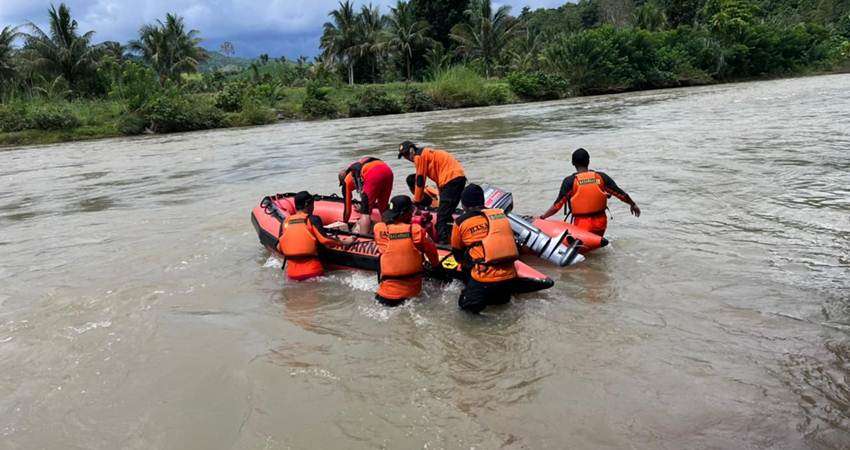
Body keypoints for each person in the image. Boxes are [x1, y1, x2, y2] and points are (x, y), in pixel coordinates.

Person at [538, 148, 641, 237]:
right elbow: (621, 194)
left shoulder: (570, 181)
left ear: (573, 163)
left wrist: (543, 217)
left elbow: (557, 206)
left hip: (582, 225)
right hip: (601, 224)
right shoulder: (601, 177)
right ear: (588, 161)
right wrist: (633, 204)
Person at [451, 184, 520, 314]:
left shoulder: (460, 222)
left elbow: (457, 254)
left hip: (484, 280)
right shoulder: (500, 215)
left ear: (464, 205)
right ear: (483, 201)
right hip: (510, 277)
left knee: (465, 310)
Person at [373, 196, 440, 306]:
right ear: (405, 213)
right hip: (411, 297)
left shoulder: (379, 229)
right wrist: (437, 268)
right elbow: (432, 253)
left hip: (384, 296)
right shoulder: (416, 231)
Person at [398, 141, 466, 244]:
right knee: (446, 213)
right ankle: (455, 238)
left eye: (407, 154)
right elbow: (439, 175)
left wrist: (416, 200)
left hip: (451, 180)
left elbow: (420, 180)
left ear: (412, 150)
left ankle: (443, 243)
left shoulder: (419, 156)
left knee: (441, 217)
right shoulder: (428, 154)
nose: (407, 157)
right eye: (404, 155)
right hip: (457, 178)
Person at [278, 191, 351, 281]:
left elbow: (279, 247)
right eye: (312, 204)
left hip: (292, 275)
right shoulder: (312, 219)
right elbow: (324, 240)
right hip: (313, 272)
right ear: (307, 204)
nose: (313, 207)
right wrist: (343, 242)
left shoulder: (285, 222)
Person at [339, 156, 394, 233]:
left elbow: (347, 210)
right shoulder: (358, 171)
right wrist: (363, 206)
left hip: (373, 173)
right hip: (387, 171)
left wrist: (344, 222)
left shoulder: (347, 181)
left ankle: (363, 237)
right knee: (383, 207)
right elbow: (372, 196)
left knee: (365, 213)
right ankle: (391, 232)